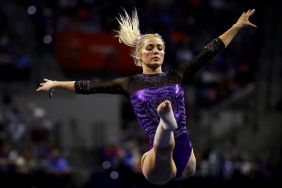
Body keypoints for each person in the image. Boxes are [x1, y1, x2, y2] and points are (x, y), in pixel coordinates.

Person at [36, 8, 256, 185]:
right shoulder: (129, 83)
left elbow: (210, 50)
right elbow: (89, 86)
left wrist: (236, 26)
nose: (156, 51)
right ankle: (166, 124)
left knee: (171, 140)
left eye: (160, 48)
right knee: (164, 145)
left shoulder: (177, 75)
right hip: (158, 160)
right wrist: (57, 83)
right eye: (150, 48)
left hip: (187, 158)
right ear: (139, 54)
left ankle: (168, 124)